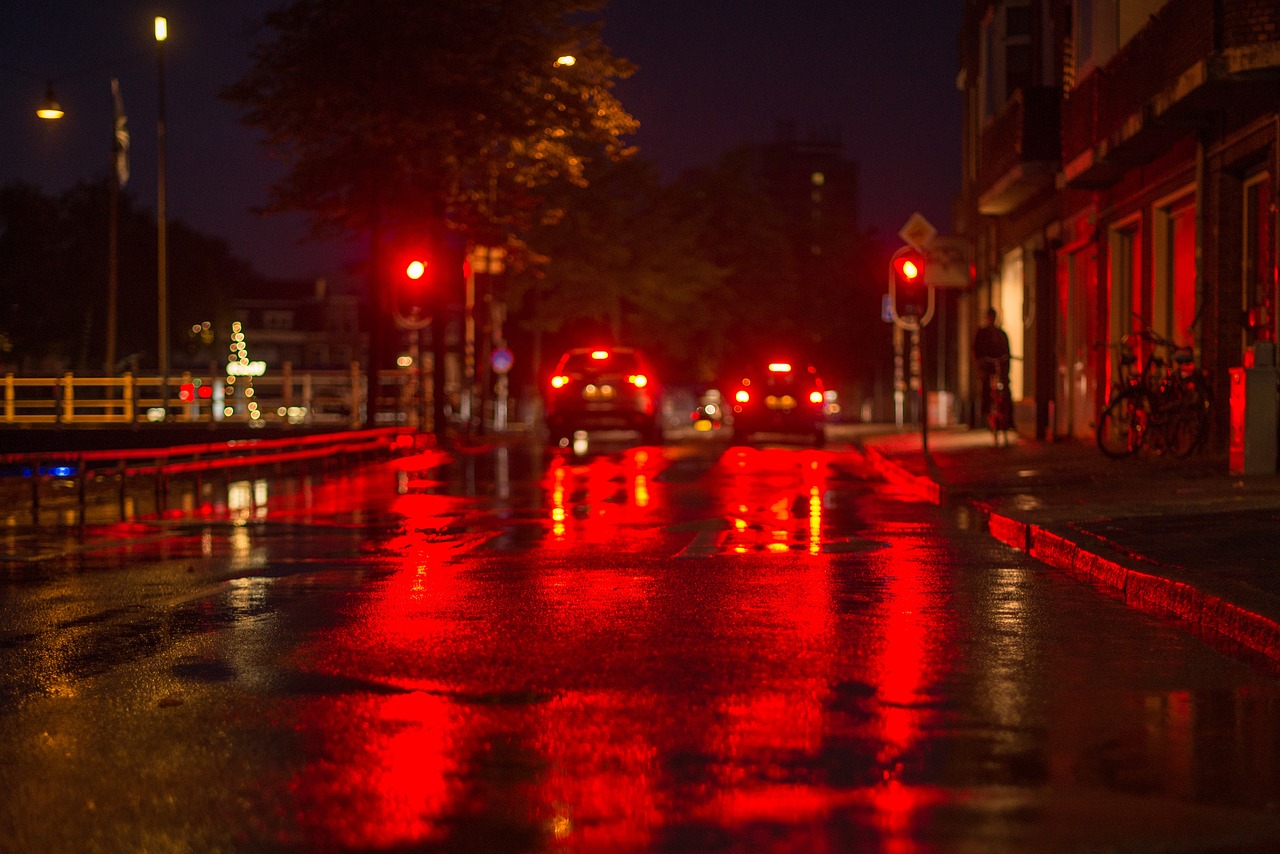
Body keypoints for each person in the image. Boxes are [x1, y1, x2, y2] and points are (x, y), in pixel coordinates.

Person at [974, 307, 1012, 428]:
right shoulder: (982, 333)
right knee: (986, 386)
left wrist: (1005, 365)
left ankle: (1009, 416)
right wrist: (980, 364)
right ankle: (985, 411)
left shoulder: (1001, 334)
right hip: (987, 366)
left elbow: (1006, 352)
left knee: (1006, 387)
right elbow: (976, 351)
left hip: (998, 366)